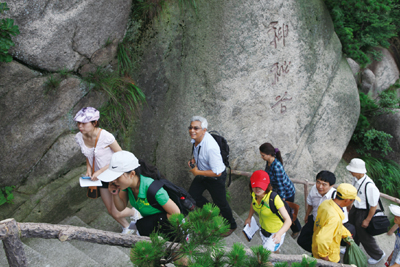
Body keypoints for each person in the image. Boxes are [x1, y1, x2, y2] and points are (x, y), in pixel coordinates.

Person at [74, 107, 137, 234]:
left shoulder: (106, 136)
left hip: (114, 175)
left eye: (84, 123)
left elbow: (120, 155)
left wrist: (100, 171)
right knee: (110, 210)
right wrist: (89, 169)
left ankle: (135, 213)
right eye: (78, 123)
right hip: (100, 178)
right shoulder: (79, 137)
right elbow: (88, 155)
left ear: (94, 122)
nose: (80, 126)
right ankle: (127, 227)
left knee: (116, 211)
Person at [98, 150, 181, 238]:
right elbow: (121, 207)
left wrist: (151, 225)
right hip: (154, 227)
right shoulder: (127, 187)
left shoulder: (153, 189)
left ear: (132, 174)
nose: (114, 181)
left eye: (117, 177)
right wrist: (114, 194)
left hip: (168, 229)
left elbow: (176, 214)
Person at [187, 116, 237, 237]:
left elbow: (218, 172)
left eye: (196, 128)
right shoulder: (196, 139)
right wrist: (194, 160)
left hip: (215, 178)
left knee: (221, 202)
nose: (192, 130)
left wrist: (197, 172)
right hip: (203, 173)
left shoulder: (211, 148)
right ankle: (212, 211)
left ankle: (231, 225)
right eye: (191, 127)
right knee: (192, 196)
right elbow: (198, 152)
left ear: (204, 130)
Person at [297, 171, 355, 253]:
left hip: (326, 226)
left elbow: (342, 221)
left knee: (321, 242)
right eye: (318, 182)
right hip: (315, 220)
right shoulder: (314, 189)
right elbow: (310, 204)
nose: (320, 186)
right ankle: (316, 252)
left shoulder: (336, 198)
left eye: (324, 184)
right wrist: (307, 215)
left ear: (331, 186)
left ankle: (319, 253)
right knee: (302, 240)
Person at [347, 158, 386, 264]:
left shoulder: (370, 186)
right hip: (356, 207)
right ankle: (352, 247)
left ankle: (378, 254)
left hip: (364, 212)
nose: (350, 171)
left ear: (359, 171)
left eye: (352, 169)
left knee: (364, 235)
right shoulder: (355, 179)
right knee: (352, 229)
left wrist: (367, 220)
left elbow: (373, 206)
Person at [259, 143, 301, 238]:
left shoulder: (277, 166)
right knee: (285, 211)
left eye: (263, 155)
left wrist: (282, 200)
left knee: (288, 212)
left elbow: (281, 185)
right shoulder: (269, 162)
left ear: (269, 154)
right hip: (278, 190)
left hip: (286, 193)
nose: (262, 157)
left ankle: (297, 229)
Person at [245, 170, 292, 253]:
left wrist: (279, 234)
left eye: (260, 186)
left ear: (267, 185)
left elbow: (288, 220)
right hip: (264, 231)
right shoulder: (254, 195)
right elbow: (253, 204)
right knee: (274, 252)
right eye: (255, 185)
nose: (257, 189)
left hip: (276, 232)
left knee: (265, 256)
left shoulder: (274, 198)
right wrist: (249, 217)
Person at [312, 183, 358, 263]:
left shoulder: (326, 203)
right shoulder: (335, 217)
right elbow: (321, 239)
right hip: (330, 256)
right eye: (353, 200)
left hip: (315, 248)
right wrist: (324, 257)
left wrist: (347, 234)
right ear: (347, 200)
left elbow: (333, 225)